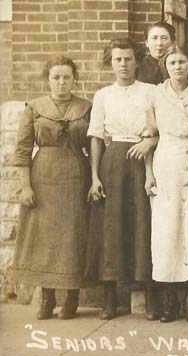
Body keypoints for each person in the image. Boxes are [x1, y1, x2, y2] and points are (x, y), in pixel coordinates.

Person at [9, 56, 91, 320]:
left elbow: (96, 145)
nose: (61, 82)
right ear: (48, 80)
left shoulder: (86, 107)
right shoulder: (34, 107)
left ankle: (72, 298)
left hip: (77, 176)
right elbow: (22, 151)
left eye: (66, 77)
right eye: (56, 77)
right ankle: (47, 297)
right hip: (43, 176)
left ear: (74, 79)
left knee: (73, 236)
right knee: (44, 238)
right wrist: (25, 187)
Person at [85, 38, 158, 321]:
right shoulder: (103, 95)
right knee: (111, 227)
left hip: (142, 160)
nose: (123, 64)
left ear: (137, 61)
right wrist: (94, 176)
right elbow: (96, 137)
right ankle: (109, 300)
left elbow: (160, 128)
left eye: (128, 59)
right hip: (112, 162)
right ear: (111, 63)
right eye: (118, 59)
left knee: (143, 224)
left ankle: (150, 296)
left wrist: (149, 142)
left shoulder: (151, 92)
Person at [143, 46, 188, 323]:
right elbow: (150, 136)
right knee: (166, 232)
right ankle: (169, 300)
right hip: (166, 163)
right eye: (172, 62)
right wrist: (149, 173)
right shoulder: (156, 95)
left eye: (182, 61)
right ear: (165, 65)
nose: (177, 67)